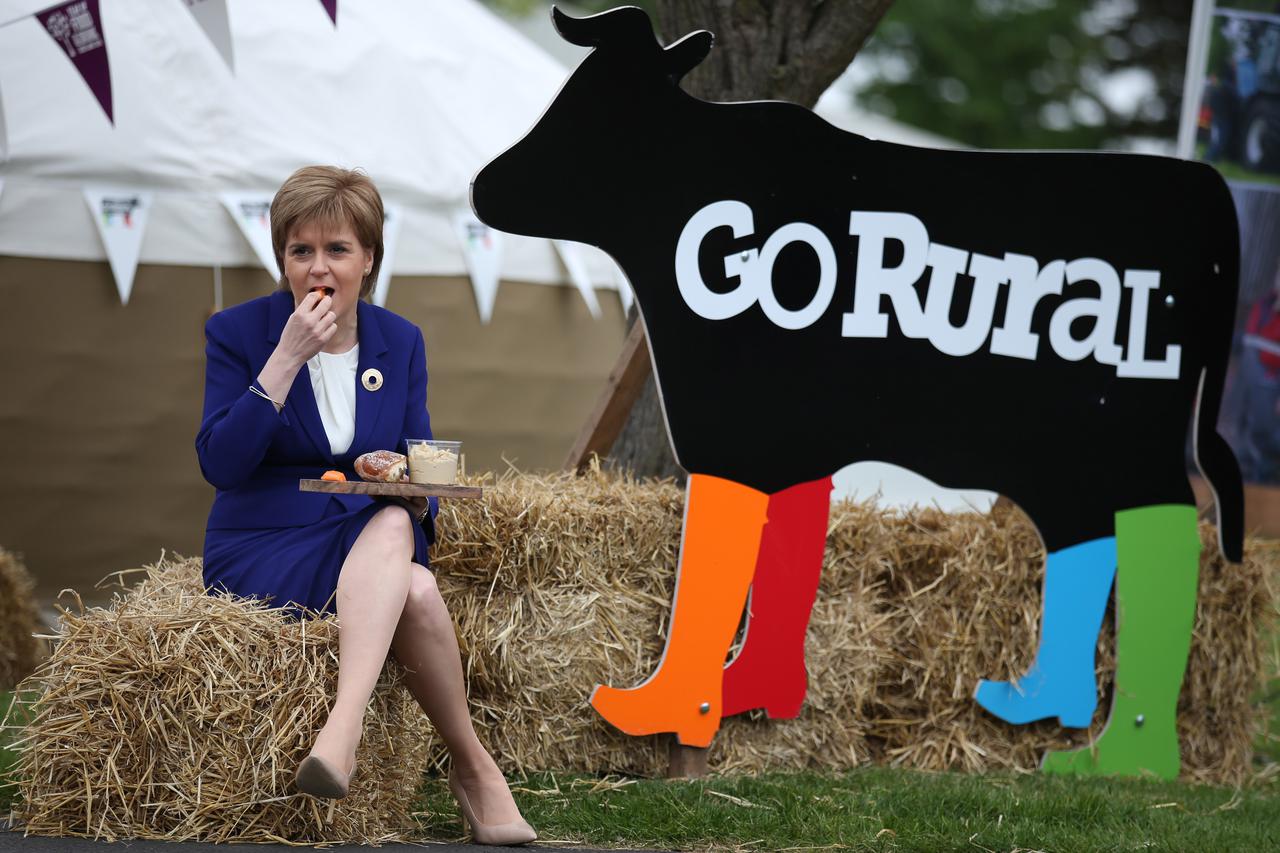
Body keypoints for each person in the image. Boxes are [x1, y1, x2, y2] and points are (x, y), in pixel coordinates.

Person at [195, 166, 536, 846]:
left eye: (337, 249)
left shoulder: (399, 340)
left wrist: (402, 472)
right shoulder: (239, 332)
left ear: (369, 258)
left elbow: (416, 461)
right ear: (282, 258)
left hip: (361, 537)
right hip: (263, 541)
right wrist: (285, 361)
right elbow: (220, 464)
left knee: (395, 531)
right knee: (410, 579)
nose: (318, 268)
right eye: (301, 250)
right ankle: (470, 768)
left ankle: (343, 733)